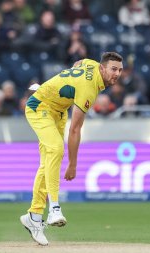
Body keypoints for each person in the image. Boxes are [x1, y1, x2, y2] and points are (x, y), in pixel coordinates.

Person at [20, 52, 123, 246]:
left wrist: (64, 83)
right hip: (38, 107)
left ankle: (33, 217)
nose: (117, 74)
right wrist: (73, 164)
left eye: (120, 70)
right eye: (113, 69)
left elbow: (79, 62)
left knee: (48, 162)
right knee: (56, 150)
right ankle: (54, 208)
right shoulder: (89, 90)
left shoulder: (92, 65)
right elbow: (75, 130)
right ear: (102, 68)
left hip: (58, 113)